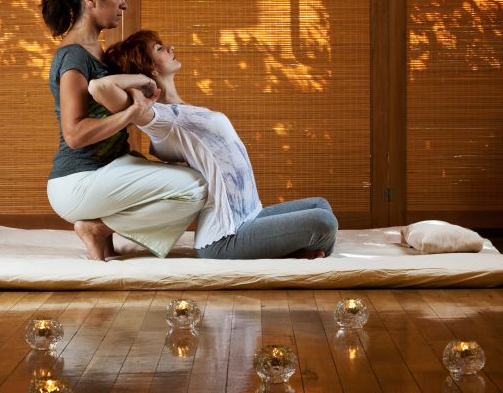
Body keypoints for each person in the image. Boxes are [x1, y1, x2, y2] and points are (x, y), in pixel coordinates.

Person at [88, 30, 338, 259]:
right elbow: (99, 87)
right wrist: (142, 81)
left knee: (321, 205)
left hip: (250, 214)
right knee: (323, 223)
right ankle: (294, 252)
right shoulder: (159, 116)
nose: (171, 48)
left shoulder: (182, 109)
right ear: (150, 67)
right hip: (226, 234)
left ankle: (292, 250)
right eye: (160, 49)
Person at [40, 0, 207, 260]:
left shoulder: (97, 52)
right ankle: (99, 229)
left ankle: (103, 234)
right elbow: (75, 134)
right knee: (195, 188)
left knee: (193, 175)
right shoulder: (73, 58)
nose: (124, 5)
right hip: (78, 180)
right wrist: (129, 113)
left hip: (108, 168)